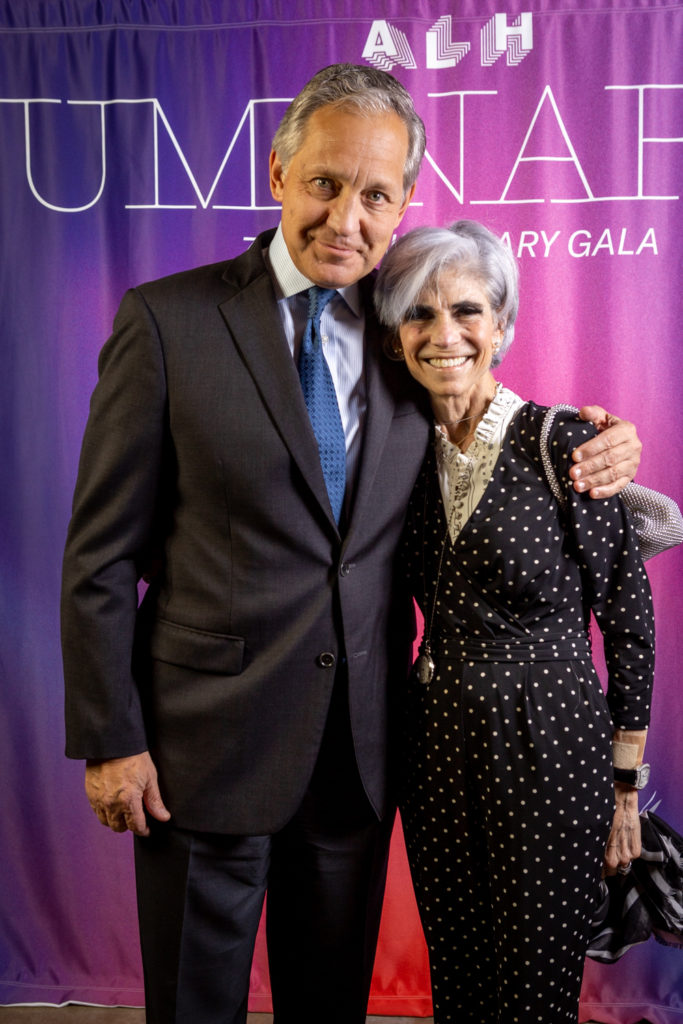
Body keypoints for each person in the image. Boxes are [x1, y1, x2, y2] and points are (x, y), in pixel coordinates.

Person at [61, 65, 642, 1024]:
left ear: (404, 202)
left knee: (327, 1005)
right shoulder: (167, 321)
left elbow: (486, 428)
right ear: (280, 171)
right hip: (199, 749)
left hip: (359, 756)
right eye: (326, 182)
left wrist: (607, 445)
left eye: (375, 195)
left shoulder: (407, 329)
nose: (346, 217)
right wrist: (110, 740)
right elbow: (99, 557)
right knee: (192, 1005)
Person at [373, 220, 655, 1024]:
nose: (443, 333)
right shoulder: (398, 457)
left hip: (551, 744)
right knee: (458, 983)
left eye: (465, 310)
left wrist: (623, 790)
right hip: (436, 749)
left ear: (501, 325)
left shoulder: (565, 442)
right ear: (395, 338)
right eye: (418, 314)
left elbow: (629, 625)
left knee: (532, 993)